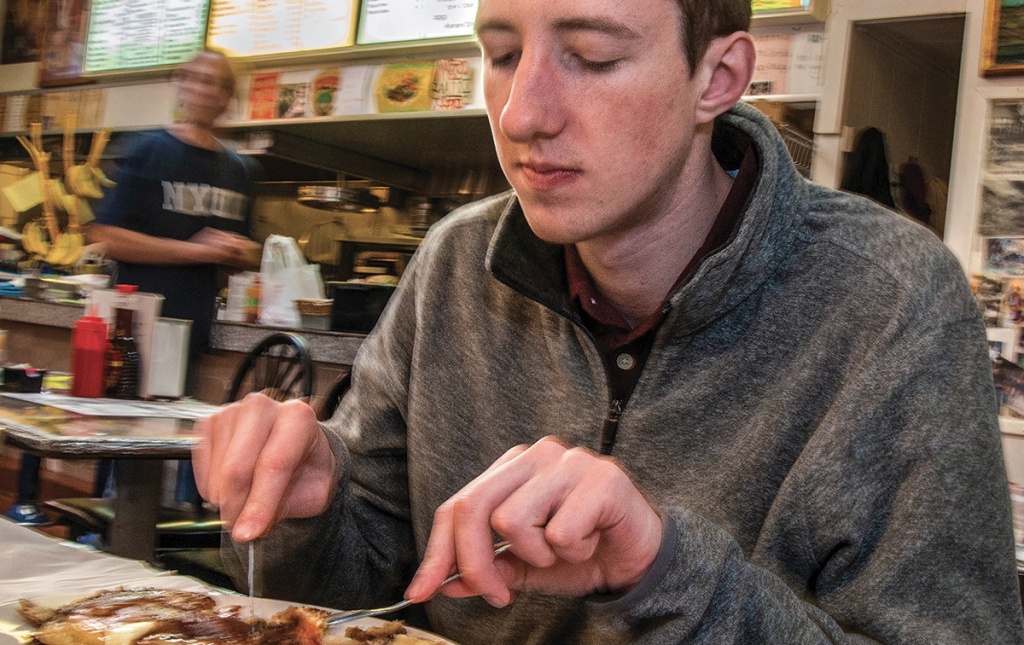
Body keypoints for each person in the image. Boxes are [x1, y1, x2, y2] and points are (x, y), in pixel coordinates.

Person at [193, 0, 1024, 642]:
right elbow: (356, 591)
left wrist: (661, 570)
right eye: (502, 54)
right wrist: (309, 509)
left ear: (718, 78)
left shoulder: (893, 302)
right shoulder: (454, 263)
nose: (521, 115)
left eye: (592, 57)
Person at [88, 48, 261, 500]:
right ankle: (104, 531)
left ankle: (156, 539)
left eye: (216, 84)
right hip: (133, 323)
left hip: (191, 325)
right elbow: (107, 236)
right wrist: (196, 250)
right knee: (120, 437)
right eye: (195, 79)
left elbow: (242, 250)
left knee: (176, 440)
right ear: (181, 85)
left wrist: (240, 252)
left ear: (228, 97)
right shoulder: (148, 149)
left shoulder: (240, 170)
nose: (204, 90)